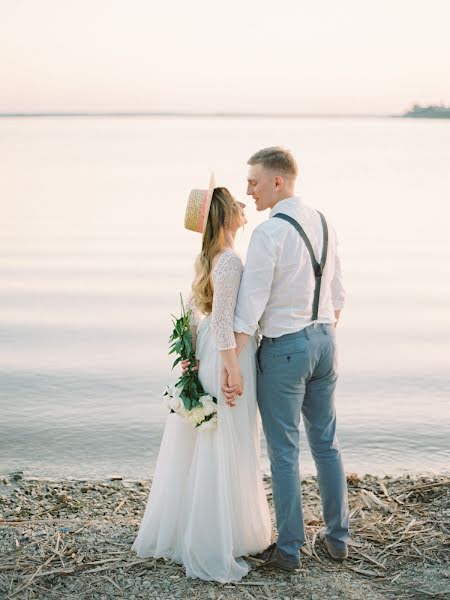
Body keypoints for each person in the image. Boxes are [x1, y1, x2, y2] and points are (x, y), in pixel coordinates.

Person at [132, 176, 271, 583]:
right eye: (238, 204)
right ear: (227, 213)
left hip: (210, 352)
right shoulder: (228, 260)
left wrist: (191, 363)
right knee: (227, 440)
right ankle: (217, 536)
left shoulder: (212, 256)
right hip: (227, 355)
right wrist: (231, 370)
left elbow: (197, 319)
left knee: (212, 441)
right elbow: (225, 323)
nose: (246, 207)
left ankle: (205, 526)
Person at [224, 146, 350, 572]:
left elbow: (250, 306)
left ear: (278, 181)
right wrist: (320, 333)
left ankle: (290, 550)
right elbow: (337, 296)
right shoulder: (324, 222)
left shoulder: (269, 233)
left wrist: (232, 363)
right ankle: (338, 538)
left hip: (286, 348)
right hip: (325, 342)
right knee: (326, 443)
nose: (249, 191)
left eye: (254, 182)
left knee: (283, 450)